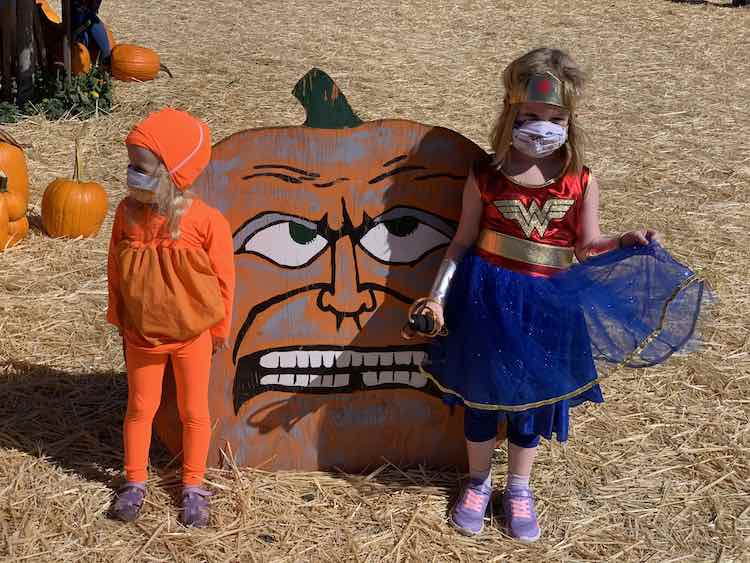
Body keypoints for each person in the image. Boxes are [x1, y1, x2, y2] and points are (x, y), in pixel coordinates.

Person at [407, 47, 707, 542]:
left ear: (570, 120)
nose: (541, 127)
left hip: (548, 305)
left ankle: (519, 487)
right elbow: (461, 241)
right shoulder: (484, 175)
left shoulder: (579, 180)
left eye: (554, 118)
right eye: (530, 117)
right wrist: (437, 296)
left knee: (533, 400)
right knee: (481, 398)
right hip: (486, 300)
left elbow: (587, 246)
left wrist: (621, 242)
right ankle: (478, 482)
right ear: (510, 114)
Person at [107, 108, 235, 527]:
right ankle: (134, 481)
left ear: (173, 171)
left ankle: (193, 485)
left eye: (140, 168)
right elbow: (116, 269)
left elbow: (223, 280)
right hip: (142, 334)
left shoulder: (205, 222)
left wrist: (219, 328)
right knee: (139, 408)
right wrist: (119, 315)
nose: (131, 175)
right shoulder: (126, 215)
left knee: (193, 410)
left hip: (191, 336)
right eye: (130, 166)